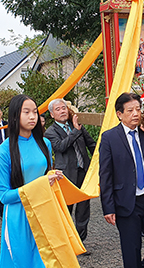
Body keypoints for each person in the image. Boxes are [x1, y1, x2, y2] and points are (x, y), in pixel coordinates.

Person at [0, 94, 63, 267]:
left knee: (49, 260)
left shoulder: (44, 143)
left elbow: (44, 173)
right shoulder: (2, 153)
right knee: (22, 261)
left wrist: (53, 176)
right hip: (19, 216)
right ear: (15, 115)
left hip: (45, 210)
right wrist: (40, 185)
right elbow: (4, 196)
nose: (33, 117)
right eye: (27, 112)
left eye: (35, 112)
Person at [99, 92, 144, 268]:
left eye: (138, 109)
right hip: (126, 202)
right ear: (119, 114)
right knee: (131, 251)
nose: (136, 114)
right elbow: (105, 174)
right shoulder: (109, 138)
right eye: (130, 110)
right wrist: (108, 207)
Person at [44, 98, 96, 242]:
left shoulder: (76, 125)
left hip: (83, 172)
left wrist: (99, 160)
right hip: (66, 176)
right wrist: (75, 131)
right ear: (52, 114)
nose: (62, 111)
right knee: (66, 209)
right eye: (58, 109)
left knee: (84, 209)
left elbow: (91, 144)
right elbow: (61, 147)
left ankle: (80, 241)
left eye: (64, 108)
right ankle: (67, 241)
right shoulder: (50, 132)